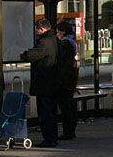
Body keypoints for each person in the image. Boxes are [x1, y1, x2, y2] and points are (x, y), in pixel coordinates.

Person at [20, 18, 59, 147]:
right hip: (53, 81)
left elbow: (31, 56)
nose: (35, 31)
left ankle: (49, 139)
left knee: (45, 112)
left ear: (41, 29)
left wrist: (22, 54)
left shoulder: (44, 42)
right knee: (51, 111)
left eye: (36, 29)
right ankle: (52, 137)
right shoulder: (54, 40)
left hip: (44, 82)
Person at [55, 20, 79, 141]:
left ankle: (68, 131)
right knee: (69, 105)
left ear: (63, 32)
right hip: (70, 78)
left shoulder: (64, 44)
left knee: (65, 106)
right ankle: (70, 130)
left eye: (58, 31)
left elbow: (61, 61)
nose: (57, 34)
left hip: (65, 79)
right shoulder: (72, 42)